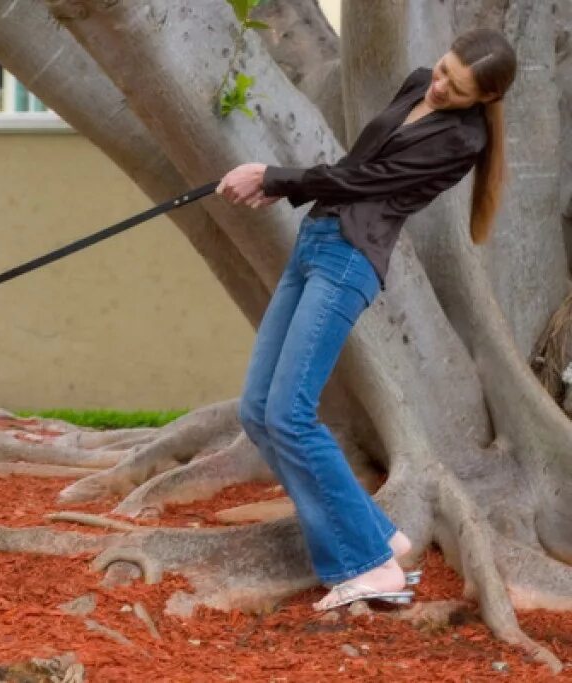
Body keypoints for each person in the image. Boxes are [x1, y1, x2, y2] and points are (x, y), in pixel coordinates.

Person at [215, 28, 517, 611]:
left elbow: (366, 182)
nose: (440, 84)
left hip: (349, 258)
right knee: (258, 410)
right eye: (443, 70)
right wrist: (282, 188)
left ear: (483, 99)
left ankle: (367, 565)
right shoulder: (414, 87)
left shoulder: (461, 139)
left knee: (290, 412)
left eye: (457, 87)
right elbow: (355, 162)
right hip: (316, 241)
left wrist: (275, 178)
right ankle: (375, 540)